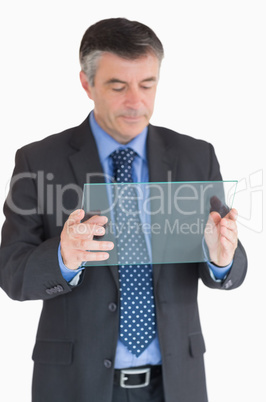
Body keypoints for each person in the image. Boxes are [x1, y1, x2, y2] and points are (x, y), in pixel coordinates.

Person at [0, 18, 247, 402]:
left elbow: (230, 259)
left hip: (176, 384)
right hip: (74, 386)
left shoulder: (196, 157)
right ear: (87, 83)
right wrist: (64, 257)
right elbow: (11, 270)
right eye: (118, 86)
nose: (136, 102)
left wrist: (220, 259)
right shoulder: (39, 161)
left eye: (147, 85)